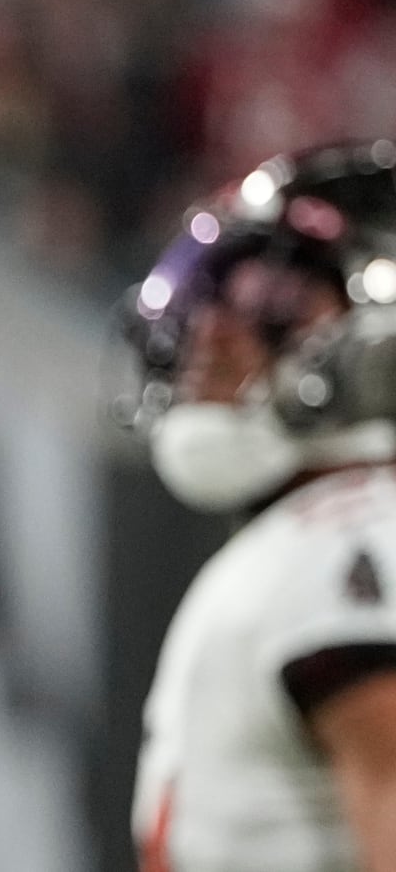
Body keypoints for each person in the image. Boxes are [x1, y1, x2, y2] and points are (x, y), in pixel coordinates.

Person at [115, 138, 396, 871]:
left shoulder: (350, 539)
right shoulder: (318, 535)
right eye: (212, 292)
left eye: (271, 295)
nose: (212, 331)